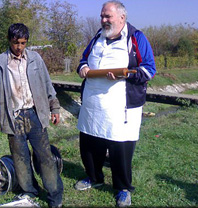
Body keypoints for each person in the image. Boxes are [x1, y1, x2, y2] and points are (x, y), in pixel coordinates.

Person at [74, 1, 156, 207]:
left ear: (122, 18)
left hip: (121, 104)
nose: (103, 20)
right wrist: (83, 67)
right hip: (93, 102)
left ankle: (123, 188)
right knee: (90, 142)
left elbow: (149, 69)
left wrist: (123, 76)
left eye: (107, 17)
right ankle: (94, 177)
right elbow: (83, 60)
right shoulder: (97, 37)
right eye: (102, 16)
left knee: (120, 147)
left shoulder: (136, 38)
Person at [0, 23, 63, 208]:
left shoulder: (35, 59)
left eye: (23, 43)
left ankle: (55, 196)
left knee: (45, 158)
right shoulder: (0, 63)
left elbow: (47, 84)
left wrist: (54, 108)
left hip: (35, 114)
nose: (19, 47)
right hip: (14, 118)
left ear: (27, 42)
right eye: (16, 42)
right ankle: (29, 192)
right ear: (9, 40)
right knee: (20, 159)